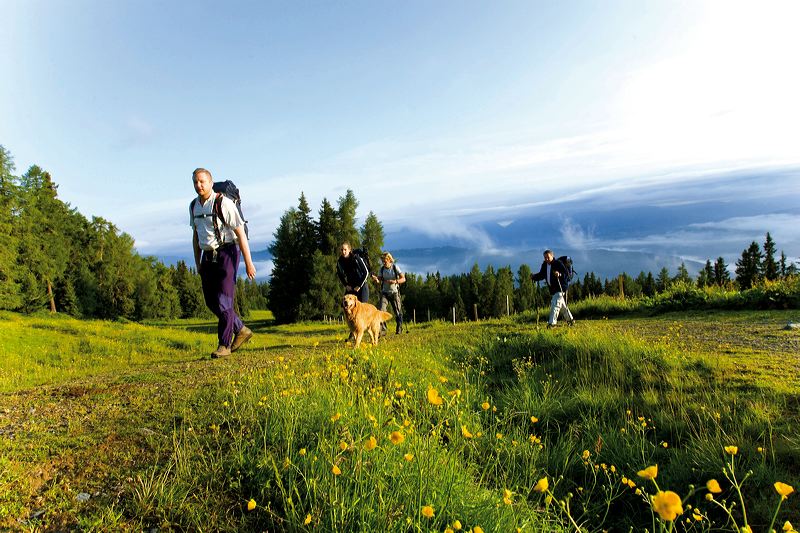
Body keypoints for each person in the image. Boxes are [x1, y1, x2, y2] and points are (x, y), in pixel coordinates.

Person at [190, 168, 257, 358]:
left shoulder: (223, 203)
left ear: (211, 183)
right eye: (195, 182)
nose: (199, 185)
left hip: (228, 251)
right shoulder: (194, 206)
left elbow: (240, 234)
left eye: (202, 181)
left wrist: (249, 263)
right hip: (207, 256)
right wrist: (198, 263)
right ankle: (241, 329)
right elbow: (196, 237)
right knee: (211, 301)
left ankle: (224, 345)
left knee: (224, 300)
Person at [531, 249, 575, 327]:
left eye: (548, 257)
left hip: (561, 287)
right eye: (545, 257)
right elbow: (542, 275)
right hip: (553, 289)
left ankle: (552, 323)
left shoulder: (558, 263)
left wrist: (559, 274)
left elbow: (565, 274)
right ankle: (570, 320)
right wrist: (534, 277)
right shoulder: (544, 265)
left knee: (555, 304)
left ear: (552, 256)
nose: (546, 259)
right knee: (562, 306)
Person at [372, 252, 405, 335]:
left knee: (397, 311)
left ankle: (399, 327)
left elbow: (403, 279)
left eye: (385, 260)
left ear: (389, 259)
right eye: (382, 260)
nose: (383, 262)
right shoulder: (382, 269)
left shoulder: (395, 267)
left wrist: (395, 281)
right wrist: (376, 279)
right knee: (381, 310)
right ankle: (383, 330)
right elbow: (379, 280)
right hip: (385, 293)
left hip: (394, 293)